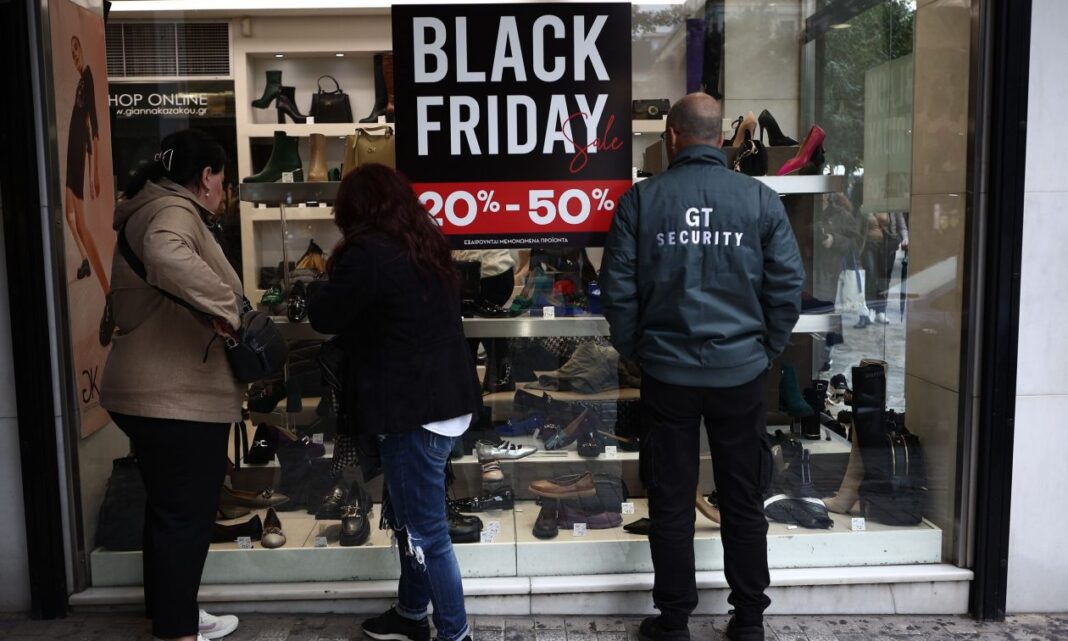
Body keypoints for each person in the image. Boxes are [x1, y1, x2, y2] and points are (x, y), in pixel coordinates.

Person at [601, 93, 804, 641]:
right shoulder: (759, 200)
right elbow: (787, 285)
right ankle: (749, 619)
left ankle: (673, 621)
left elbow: (617, 291)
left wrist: (638, 352)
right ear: (722, 140)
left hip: (668, 374)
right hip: (741, 373)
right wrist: (765, 350)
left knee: (670, 499)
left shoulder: (642, 201)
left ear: (671, 137)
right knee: (743, 497)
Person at [308, 164, 480, 641]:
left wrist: (315, 284)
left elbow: (325, 315)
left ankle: (455, 633)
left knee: (426, 531)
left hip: (412, 409)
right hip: (443, 400)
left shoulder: (368, 252)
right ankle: (410, 612)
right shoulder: (424, 242)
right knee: (410, 522)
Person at [100, 129, 243, 641]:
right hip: (175, 396)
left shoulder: (148, 206)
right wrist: (229, 310)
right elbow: (166, 255)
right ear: (206, 177)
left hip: (147, 388)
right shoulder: (174, 212)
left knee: (168, 510)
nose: (223, 191)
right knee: (187, 515)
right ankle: (177, 631)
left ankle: (172, 613)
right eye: (222, 179)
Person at [65, 35, 109, 294]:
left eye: (76, 51)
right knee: (69, 215)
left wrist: (95, 174)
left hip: (76, 151)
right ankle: (84, 261)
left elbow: (95, 129)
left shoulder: (89, 75)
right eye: (72, 54)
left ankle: (106, 290)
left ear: (82, 49)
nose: (75, 57)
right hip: (73, 150)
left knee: (81, 223)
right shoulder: (83, 78)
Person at [855, 211, 908, 327]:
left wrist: (905, 238)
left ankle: (881, 311)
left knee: (884, 278)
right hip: (869, 245)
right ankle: (871, 309)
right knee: (871, 276)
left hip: (888, 246)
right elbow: (857, 230)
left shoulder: (893, 208)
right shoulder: (865, 207)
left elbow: (902, 226)